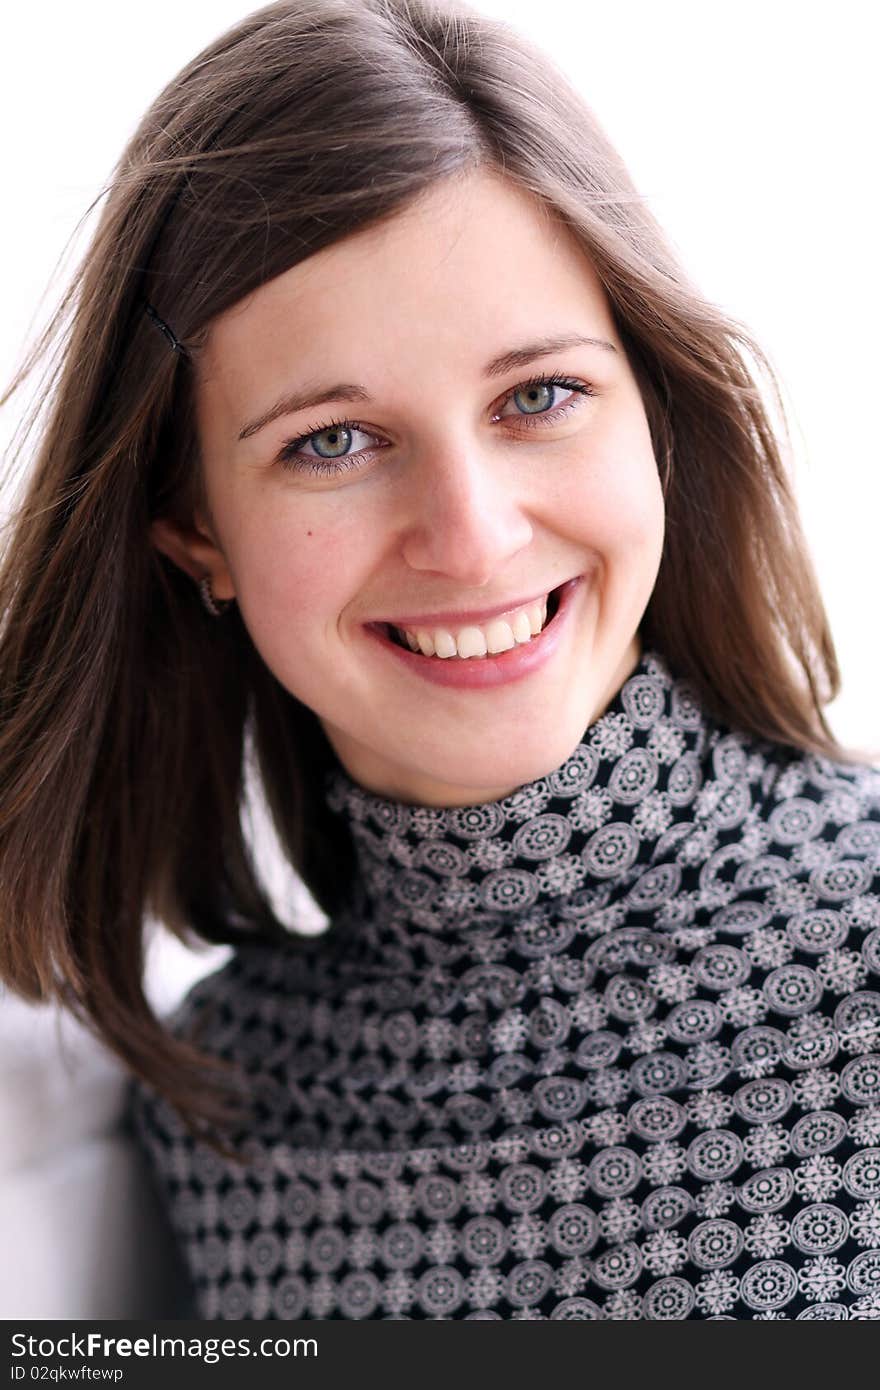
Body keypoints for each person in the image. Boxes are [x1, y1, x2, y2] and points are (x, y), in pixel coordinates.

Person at [1, 0, 879, 1323]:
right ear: (193, 531)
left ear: (656, 415)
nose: (470, 538)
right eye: (332, 440)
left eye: (538, 397)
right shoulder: (219, 1101)